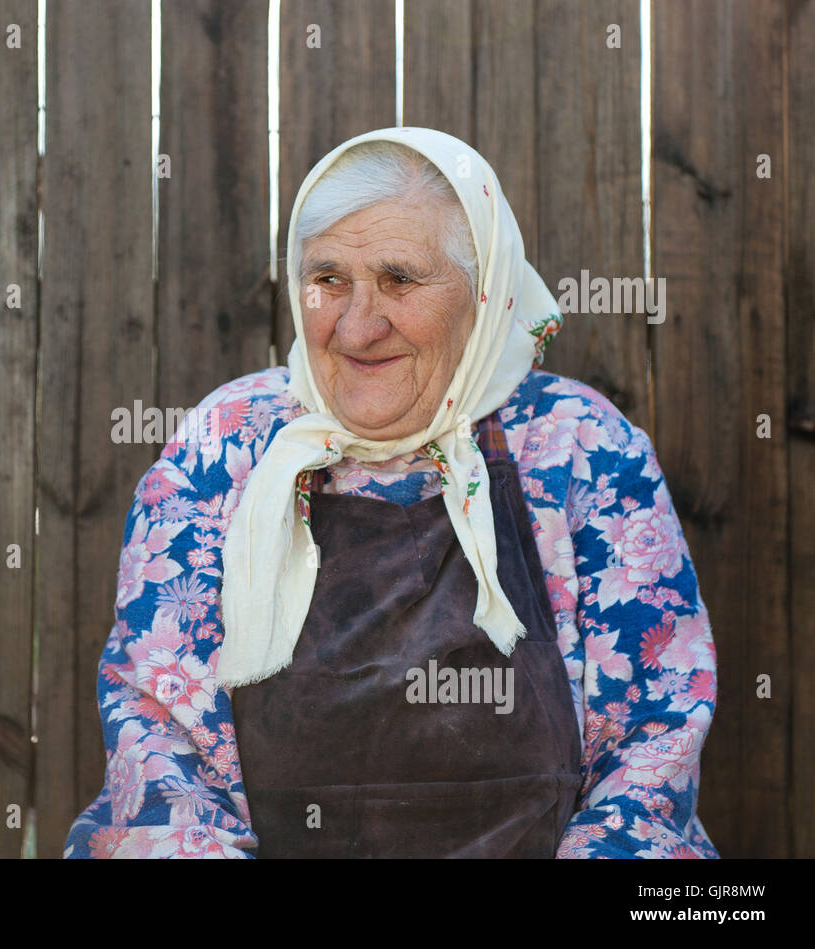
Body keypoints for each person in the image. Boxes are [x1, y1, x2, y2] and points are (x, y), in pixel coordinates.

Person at [64, 127, 718, 858]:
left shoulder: (581, 449)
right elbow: (159, 735)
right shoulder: (223, 448)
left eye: (400, 278)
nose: (358, 323)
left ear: (483, 293)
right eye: (329, 278)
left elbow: (652, 738)